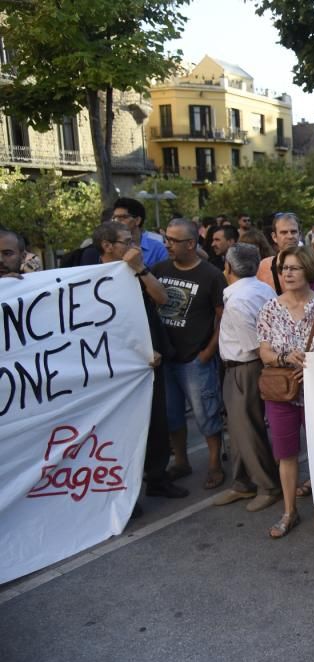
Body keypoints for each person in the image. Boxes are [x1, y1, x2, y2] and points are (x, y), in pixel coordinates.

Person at [94, 222, 186, 501]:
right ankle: (123, 492)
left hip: (150, 362)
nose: (134, 247)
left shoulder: (136, 273)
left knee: (157, 424)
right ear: (107, 246)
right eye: (126, 241)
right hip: (116, 368)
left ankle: (157, 478)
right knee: (122, 430)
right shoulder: (92, 276)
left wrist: (141, 269)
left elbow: (161, 297)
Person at [257, 245, 314, 538]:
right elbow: (264, 351)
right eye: (283, 269)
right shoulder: (270, 308)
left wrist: (313, 368)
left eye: (294, 267)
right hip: (281, 391)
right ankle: (289, 511)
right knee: (286, 454)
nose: (287, 273)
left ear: (308, 269)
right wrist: (284, 358)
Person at [151, 218, 228, 490]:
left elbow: (223, 318)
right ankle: (181, 461)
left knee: (206, 414)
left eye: (173, 240)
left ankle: (214, 464)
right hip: (166, 359)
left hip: (195, 360)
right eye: (166, 239)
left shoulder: (210, 275)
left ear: (191, 244)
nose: (168, 245)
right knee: (172, 415)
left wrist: (208, 351)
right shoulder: (158, 270)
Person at [212, 243, 282, 512]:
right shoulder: (262, 288)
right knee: (240, 430)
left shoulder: (239, 300)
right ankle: (242, 482)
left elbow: (254, 346)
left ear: (228, 267)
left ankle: (268, 486)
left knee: (248, 430)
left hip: (245, 367)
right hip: (242, 367)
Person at [110, 197, 168, 268]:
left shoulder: (158, 248)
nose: (117, 222)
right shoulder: (109, 247)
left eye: (122, 217)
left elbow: (164, 276)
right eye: (114, 218)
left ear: (137, 220)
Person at [257, 212, 302, 294]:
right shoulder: (264, 266)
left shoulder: (312, 264)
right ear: (274, 237)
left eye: (293, 232)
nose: (290, 236)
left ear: (300, 234)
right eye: (284, 232)